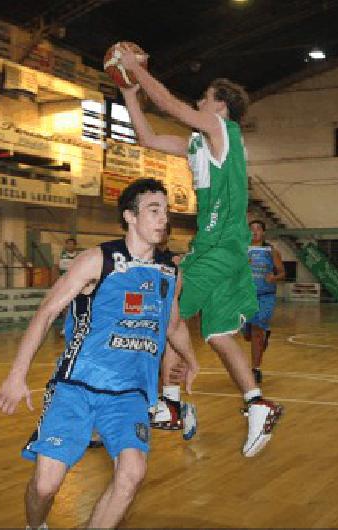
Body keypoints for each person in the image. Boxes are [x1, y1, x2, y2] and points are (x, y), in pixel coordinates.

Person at [0, 179, 199, 529]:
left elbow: (173, 324)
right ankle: (35, 526)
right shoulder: (97, 261)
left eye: (166, 211)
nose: (163, 218)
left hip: (130, 394)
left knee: (132, 474)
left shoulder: (170, 273)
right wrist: (17, 375)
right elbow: (46, 313)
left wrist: (192, 360)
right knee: (45, 486)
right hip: (76, 387)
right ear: (130, 216)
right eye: (154, 210)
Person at [117, 45, 283, 457]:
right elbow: (148, 137)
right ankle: (256, 403)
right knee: (220, 335)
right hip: (223, 250)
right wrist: (128, 93)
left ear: (220, 107)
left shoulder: (223, 131)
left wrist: (138, 69)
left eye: (206, 98)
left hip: (219, 247)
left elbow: (173, 106)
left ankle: (170, 403)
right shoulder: (198, 146)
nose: (199, 102)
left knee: (166, 308)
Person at [149, 224, 197, 440]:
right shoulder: (133, 256)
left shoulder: (174, 262)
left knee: (169, 354)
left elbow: (176, 300)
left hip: (164, 318)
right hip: (138, 324)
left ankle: (173, 403)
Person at [242, 220, 285, 385]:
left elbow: (282, 273)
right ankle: (263, 337)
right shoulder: (242, 250)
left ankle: (255, 369)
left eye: (258, 229)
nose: (254, 232)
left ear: (263, 232)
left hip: (265, 296)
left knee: (256, 330)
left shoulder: (271, 251)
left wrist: (274, 277)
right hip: (245, 296)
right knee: (248, 335)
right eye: (251, 229)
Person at [53, 238, 80, 336]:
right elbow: (55, 269)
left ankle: (77, 327)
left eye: (72, 244)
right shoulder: (60, 256)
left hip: (77, 284)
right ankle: (65, 327)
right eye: (68, 244)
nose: (70, 246)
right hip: (64, 284)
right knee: (65, 307)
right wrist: (56, 282)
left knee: (77, 307)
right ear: (65, 245)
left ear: (75, 245)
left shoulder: (79, 256)